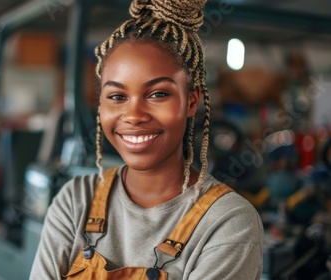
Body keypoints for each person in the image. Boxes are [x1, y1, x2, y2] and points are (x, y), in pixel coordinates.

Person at [30, 0, 263, 279]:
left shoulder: (227, 222)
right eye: (117, 97)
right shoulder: (76, 200)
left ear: (191, 101)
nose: (134, 115)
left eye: (157, 94)